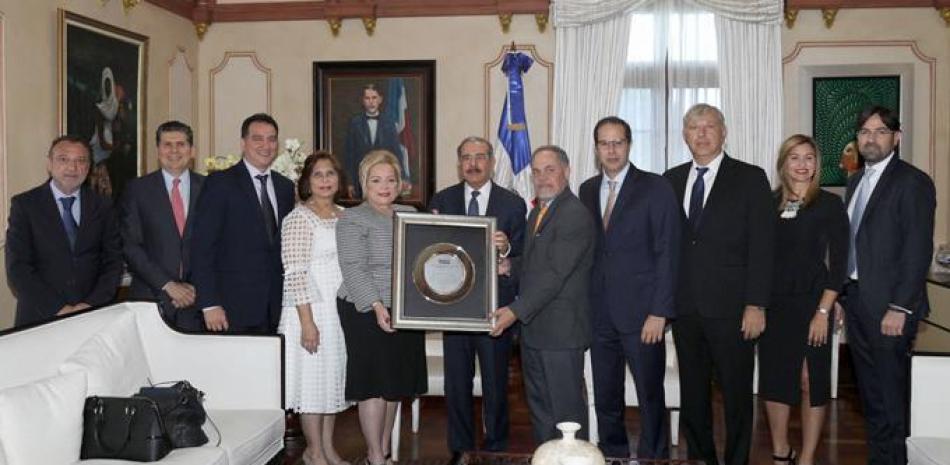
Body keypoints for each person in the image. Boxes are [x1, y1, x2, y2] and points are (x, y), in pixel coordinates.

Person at [662, 103, 775, 465]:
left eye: (710, 126)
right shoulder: (671, 179)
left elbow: (763, 246)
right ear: (685, 135)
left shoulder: (750, 177)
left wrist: (756, 304)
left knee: (737, 394)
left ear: (723, 132)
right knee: (694, 395)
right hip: (685, 309)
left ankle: (737, 460)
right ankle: (702, 458)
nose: (702, 133)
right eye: (695, 128)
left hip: (734, 310)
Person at [579, 117, 681, 459]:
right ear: (596, 149)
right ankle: (614, 454)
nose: (611, 150)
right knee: (607, 397)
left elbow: (669, 251)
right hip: (600, 315)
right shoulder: (587, 189)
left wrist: (660, 311)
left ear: (629, 145)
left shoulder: (656, 187)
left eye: (617, 142)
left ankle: (654, 457)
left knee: (650, 396)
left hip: (643, 315)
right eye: (604, 143)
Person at [843, 106, 935, 465]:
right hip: (857, 303)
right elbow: (854, 244)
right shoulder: (855, 181)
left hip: (890, 310)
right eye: (865, 131)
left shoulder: (912, 181)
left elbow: (917, 249)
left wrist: (900, 307)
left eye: (880, 132)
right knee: (872, 396)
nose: (871, 138)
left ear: (896, 138)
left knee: (891, 397)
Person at [428, 136, 527, 463]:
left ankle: (496, 446)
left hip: (494, 309)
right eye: (466, 157)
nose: (473, 163)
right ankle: (461, 448)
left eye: (480, 156)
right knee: (457, 384)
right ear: (459, 163)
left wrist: (506, 250)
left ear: (491, 162)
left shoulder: (513, 204)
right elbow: (431, 251)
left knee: (497, 384)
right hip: (454, 308)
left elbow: (526, 257)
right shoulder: (441, 200)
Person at [490, 145, 595, 445]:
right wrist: (511, 264)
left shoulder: (574, 214)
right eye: (537, 171)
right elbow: (538, 261)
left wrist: (513, 311)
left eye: (550, 169)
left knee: (566, 416)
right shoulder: (539, 210)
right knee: (541, 412)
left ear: (567, 170)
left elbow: (554, 275)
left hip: (561, 335)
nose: (542, 177)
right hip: (536, 332)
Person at [757, 134, 848, 465]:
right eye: (794, 157)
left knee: (812, 381)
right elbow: (757, 258)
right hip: (773, 306)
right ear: (783, 163)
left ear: (816, 164)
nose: (802, 164)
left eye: (809, 157)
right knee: (776, 380)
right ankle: (782, 451)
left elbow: (839, 264)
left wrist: (824, 309)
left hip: (813, 305)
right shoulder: (766, 203)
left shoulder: (829, 204)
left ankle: (807, 457)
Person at [336, 150, 427, 465]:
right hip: (365, 308)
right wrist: (375, 305)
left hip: (405, 309)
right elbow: (353, 267)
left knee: (394, 385)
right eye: (376, 180)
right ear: (364, 184)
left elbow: (429, 253)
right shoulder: (352, 218)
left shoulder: (410, 213)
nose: (384, 186)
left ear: (400, 183)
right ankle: (374, 456)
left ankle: (384, 451)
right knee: (373, 385)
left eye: (391, 179)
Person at [190, 113, 295, 334]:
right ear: (243, 143)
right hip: (230, 310)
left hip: (276, 308)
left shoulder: (285, 187)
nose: (266, 145)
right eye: (258, 139)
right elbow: (201, 248)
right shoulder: (220, 183)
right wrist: (209, 303)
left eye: (272, 139)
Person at [279, 152, 351, 465]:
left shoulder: (344, 215)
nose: (325, 180)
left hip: (338, 312)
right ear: (307, 181)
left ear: (339, 180)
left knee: (331, 382)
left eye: (330, 174)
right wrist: (307, 322)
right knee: (312, 383)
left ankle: (328, 448)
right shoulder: (298, 218)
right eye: (318, 175)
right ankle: (314, 452)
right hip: (308, 311)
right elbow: (295, 273)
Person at [5, 135, 123, 327]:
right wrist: (59, 310)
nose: (72, 167)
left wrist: (89, 305)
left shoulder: (102, 206)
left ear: (89, 167)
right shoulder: (25, 205)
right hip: (40, 318)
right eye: (63, 159)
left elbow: (113, 263)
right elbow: (18, 268)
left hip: (92, 318)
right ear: (49, 164)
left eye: (81, 160)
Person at [120, 121, 205, 331]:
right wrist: (169, 285)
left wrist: (193, 289)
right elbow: (130, 245)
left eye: (181, 144)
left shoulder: (210, 188)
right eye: (167, 145)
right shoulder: (137, 190)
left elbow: (218, 245)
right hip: (151, 299)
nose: (174, 151)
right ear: (158, 150)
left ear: (192, 150)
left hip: (198, 303)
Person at [343, 84, 406, 198]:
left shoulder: (389, 123)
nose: (371, 102)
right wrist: (350, 182)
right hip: (360, 181)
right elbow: (349, 155)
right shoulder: (354, 123)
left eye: (374, 97)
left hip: (384, 181)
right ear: (363, 100)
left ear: (380, 99)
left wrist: (402, 178)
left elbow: (396, 153)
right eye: (367, 98)